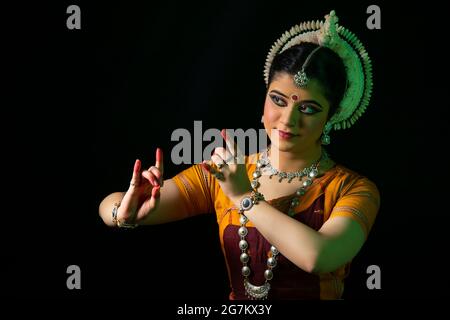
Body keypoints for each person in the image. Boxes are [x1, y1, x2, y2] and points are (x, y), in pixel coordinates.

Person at [99, 10, 380, 300]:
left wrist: (244, 197)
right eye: (278, 100)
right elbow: (108, 205)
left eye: (308, 109)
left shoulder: (353, 189)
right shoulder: (224, 174)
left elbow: (319, 257)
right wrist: (124, 212)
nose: (287, 120)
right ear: (264, 99)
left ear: (331, 116)